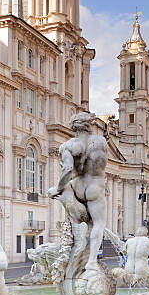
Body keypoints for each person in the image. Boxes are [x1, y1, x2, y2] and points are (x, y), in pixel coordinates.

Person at [48, 112, 107, 274]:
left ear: (73, 127)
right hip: (96, 187)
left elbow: (67, 170)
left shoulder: (68, 145)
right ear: (88, 125)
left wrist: (58, 188)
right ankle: (92, 263)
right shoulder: (101, 142)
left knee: (81, 220)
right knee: (98, 224)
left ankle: (77, 251)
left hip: (77, 187)